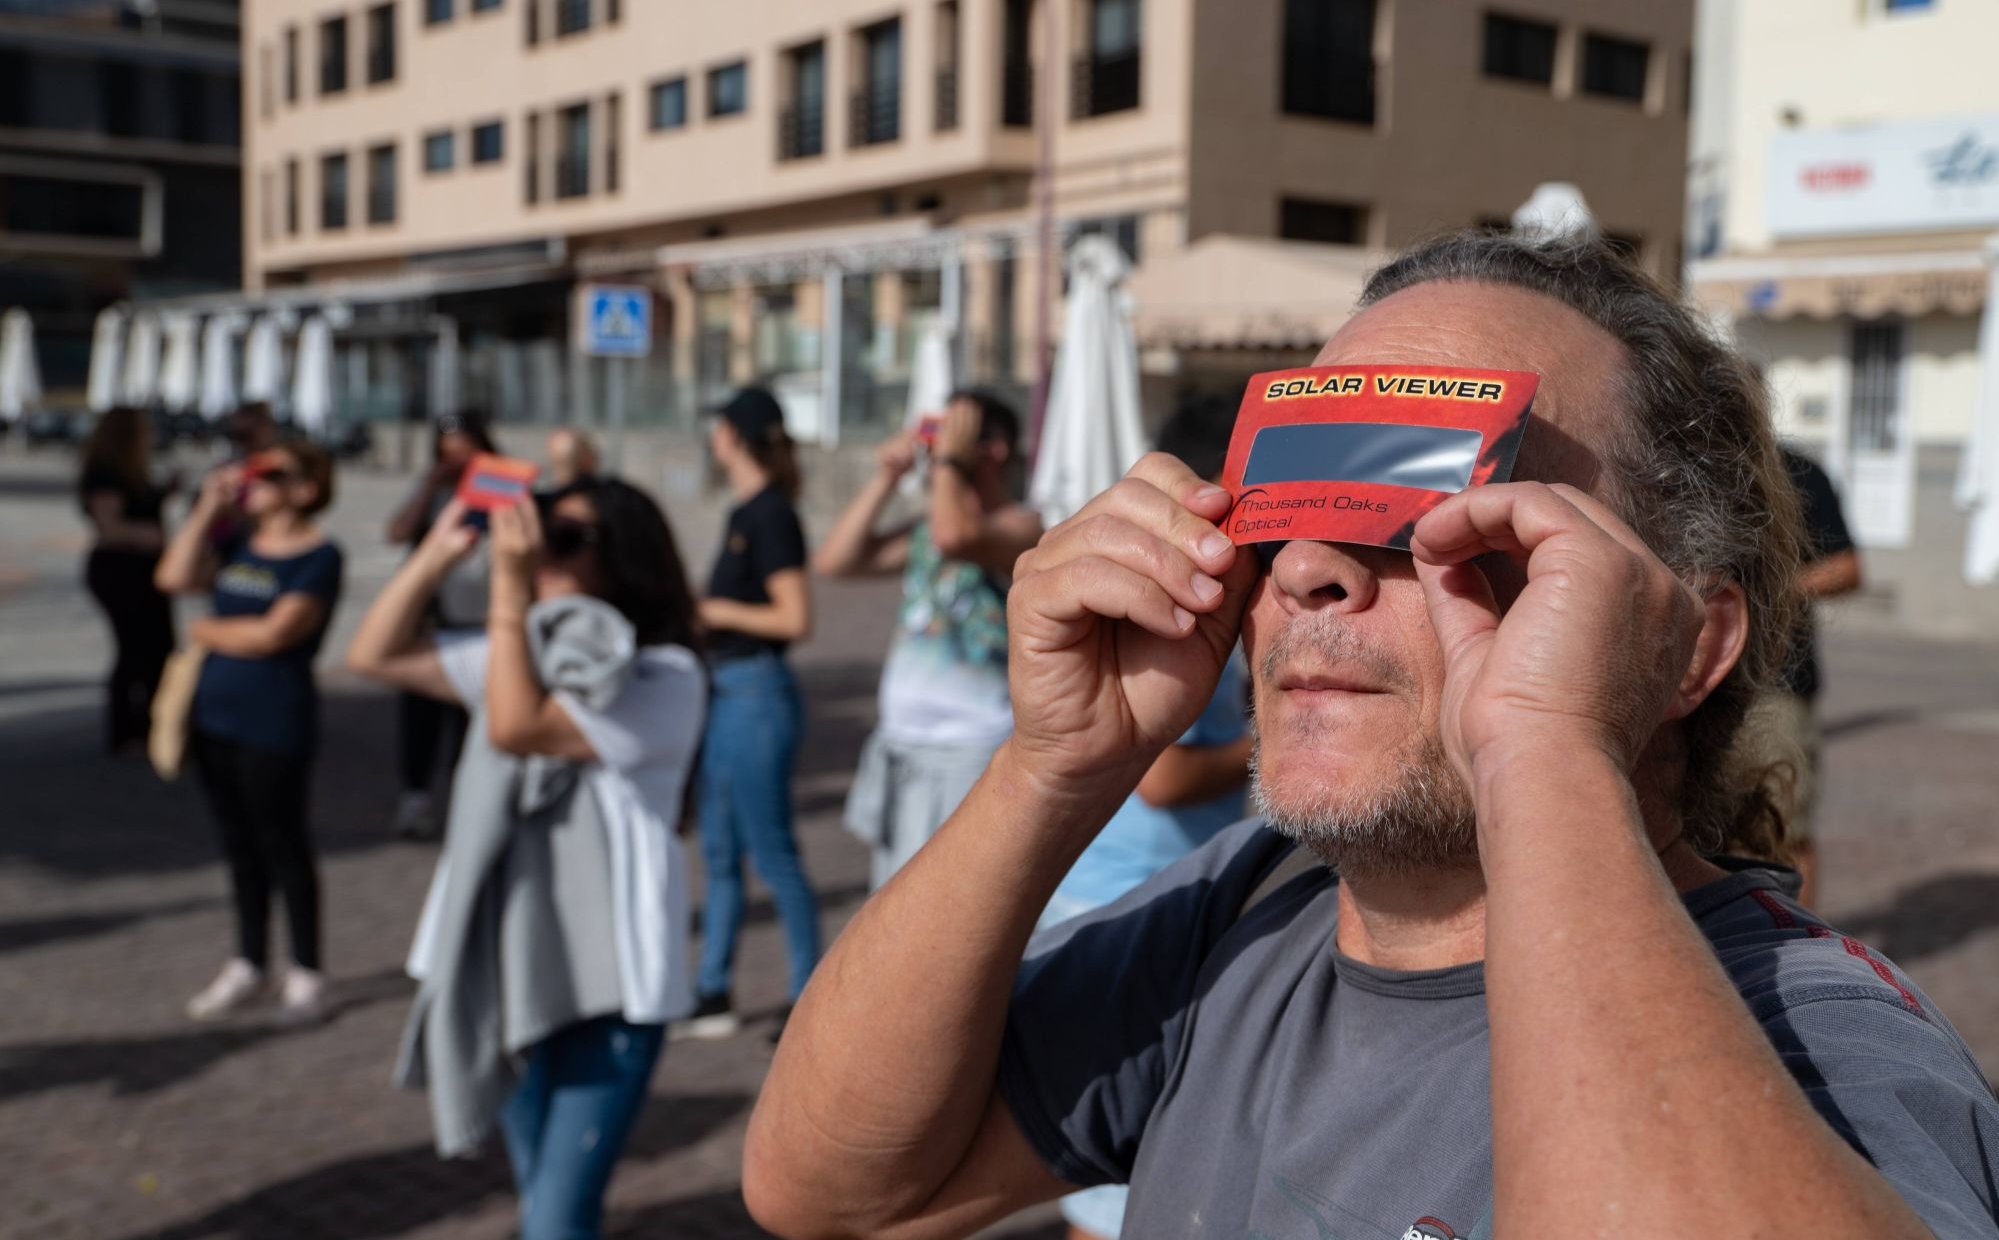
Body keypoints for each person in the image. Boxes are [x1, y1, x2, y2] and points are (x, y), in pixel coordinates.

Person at [744, 232, 1999, 1240]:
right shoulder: (1248, 912)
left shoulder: (1824, 1046)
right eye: (1289, 500)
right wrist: (1050, 770)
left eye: (1444, 512)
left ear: (1688, 643)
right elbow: (834, 1191)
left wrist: (1545, 750)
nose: (1305, 570)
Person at [345, 476, 706, 1240]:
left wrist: (508, 591)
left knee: (556, 1217)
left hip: (615, 981)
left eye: (566, 540)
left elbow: (516, 725)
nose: (541, 551)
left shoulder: (665, 675)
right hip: (511, 955)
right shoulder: (525, 652)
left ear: (625, 560)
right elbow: (372, 653)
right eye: (539, 532)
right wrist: (439, 554)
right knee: (539, 1192)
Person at [1034, 395, 1252, 1240]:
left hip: (1128, 897)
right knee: (1113, 1184)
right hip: (1122, 908)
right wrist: (1280, 745)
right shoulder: (1180, 591)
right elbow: (1161, 782)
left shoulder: (1171, 577)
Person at [814, 389, 1045, 889]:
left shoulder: (1025, 525)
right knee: (896, 904)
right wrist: (886, 478)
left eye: (952, 434)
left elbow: (957, 537)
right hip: (903, 748)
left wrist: (946, 462)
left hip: (971, 753)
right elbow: (836, 560)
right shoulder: (928, 527)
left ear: (995, 448)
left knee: (953, 901)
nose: (934, 449)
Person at [155, 443, 344, 1025]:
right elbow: (174, 576)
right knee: (238, 845)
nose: (257, 483)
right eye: (254, 475)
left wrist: (211, 627)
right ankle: (248, 961)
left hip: (274, 719)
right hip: (213, 715)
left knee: (284, 843)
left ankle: (308, 972)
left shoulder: (319, 555)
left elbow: (276, 635)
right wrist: (209, 508)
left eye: (274, 474)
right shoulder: (235, 541)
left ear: (306, 489)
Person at [682, 387, 820, 1040]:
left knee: (774, 855)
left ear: (734, 435)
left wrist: (713, 612)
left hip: (757, 696)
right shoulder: (744, 509)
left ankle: (806, 994)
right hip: (725, 692)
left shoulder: (770, 515)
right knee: (718, 850)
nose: (712, 439)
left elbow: (794, 619)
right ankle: (712, 990)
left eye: (718, 427)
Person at [1748, 445, 1861, 908]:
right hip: (1684, 684)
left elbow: (1848, 568)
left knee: (1784, 835)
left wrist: (1772, 589)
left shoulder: (1796, 470)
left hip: (1775, 688)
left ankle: (1800, 953)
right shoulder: (1674, 455)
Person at [382, 411, 499, 839]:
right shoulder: (432, 494)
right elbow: (396, 532)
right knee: (420, 719)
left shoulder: (497, 487)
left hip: (480, 621)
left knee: (473, 722)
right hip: (430, 624)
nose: (454, 462)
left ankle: (468, 803)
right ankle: (416, 798)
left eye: (463, 453)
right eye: (446, 455)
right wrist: (430, 486)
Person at [78, 406, 177, 755]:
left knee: (156, 647)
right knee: (135, 649)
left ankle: (152, 726)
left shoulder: (130, 470)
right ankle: (129, 731)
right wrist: (150, 535)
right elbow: (110, 527)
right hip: (120, 570)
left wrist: (164, 492)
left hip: (143, 569)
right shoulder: (106, 472)